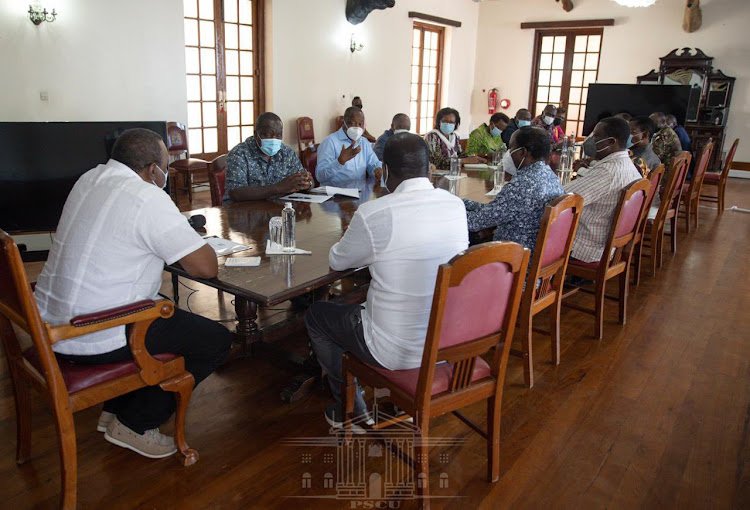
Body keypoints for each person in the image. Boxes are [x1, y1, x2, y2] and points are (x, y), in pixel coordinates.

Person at [34, 128, 232, 458]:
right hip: (89, 335)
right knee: (214, 339)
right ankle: (134, 422)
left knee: (161, 304)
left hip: (48, 326)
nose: (167, 174)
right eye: (167, 166)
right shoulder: (147, 196)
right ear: (153, 170)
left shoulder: (89, 179)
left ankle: (116, 406)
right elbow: (205, 267)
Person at [305, 133, 468, 428]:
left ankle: (349, 409)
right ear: (428, 167)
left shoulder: (375, 212)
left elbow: (338, 261)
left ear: (387, 171)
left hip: (393, 350)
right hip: (446, 340)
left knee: (318, 315)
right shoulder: (455, 205)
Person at [464, 127, 563, 259]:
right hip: (536, 258)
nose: (508, 154)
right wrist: (462, 203)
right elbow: (498, 210)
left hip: (513, 263)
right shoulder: (550, 177)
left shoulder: (522, 185)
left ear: (522, 152)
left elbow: (476, 222)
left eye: (510, 149)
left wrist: (445, 210)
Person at [564, 117, 642, 263]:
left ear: (611, 142)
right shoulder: (627, 165)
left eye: (596, 136)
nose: (591, 140)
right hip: (604, 244)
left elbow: (562, 199)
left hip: (585, 247)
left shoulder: (608, 171)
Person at [224, 112, 313, 203]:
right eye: (268, 134)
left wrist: (307, 183)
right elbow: (236, 193)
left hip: (277, 210)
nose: (273, 139)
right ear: (256, 134)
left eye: (278, 135)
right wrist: (278, 188)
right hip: (243, 212)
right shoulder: (239, 154)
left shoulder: (286, 152)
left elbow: (307, 180)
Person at [316, 106, 383, 186]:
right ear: (344, 123)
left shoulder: (364, 142)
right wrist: (339, 162)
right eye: (353, 123)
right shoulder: (329, 142)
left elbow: (374, 163)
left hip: (360, 193)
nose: (357, 127)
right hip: (336, 195)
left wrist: (377, 171)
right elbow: (320, 176)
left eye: (360, 124)